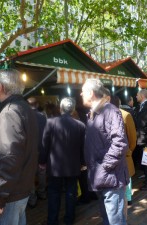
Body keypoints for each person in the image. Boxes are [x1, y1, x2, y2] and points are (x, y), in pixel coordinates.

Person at [0, 69, 38, 225]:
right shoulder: (23, 108)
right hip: (18, 191)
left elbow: (8, 159)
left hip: (8, 196)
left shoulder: (10, 112)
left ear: (0, 86)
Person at [81, 79, 129, 225]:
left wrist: (104, 167)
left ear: (91, 93)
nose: (81, 94)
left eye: (83, 91)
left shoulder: (110, 111)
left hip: (110, 178)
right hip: (101, 177)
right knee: (107, 220)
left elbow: (120, 143)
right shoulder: (94, 114)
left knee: (115, 221)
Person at [41, 97, 86, 225]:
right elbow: (83, 147)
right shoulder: (81, 125)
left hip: (55, 166)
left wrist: (42, 161)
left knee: (54, 193)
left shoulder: (50, 122)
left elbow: (44, 145)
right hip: (73, 166)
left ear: (61, 108)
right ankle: (69, 219)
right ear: (73, 110)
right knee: (71, 192)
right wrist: (83, 163)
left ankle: (52, 220)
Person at [111, 95, 137, 206]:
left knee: (126, 178)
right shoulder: (102, 115)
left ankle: (128, 197)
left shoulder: (126, 115)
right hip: (112, 156)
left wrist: (129, 151)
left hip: (124, 154)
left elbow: (132, 137)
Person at [27, 97, 47, 208]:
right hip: (42, 148)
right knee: (42, 173)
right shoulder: (43, 117)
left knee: (30, 175)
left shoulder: (24, 117)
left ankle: (32, 198)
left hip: (29, 151)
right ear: (37, 104)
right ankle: (42, 193)